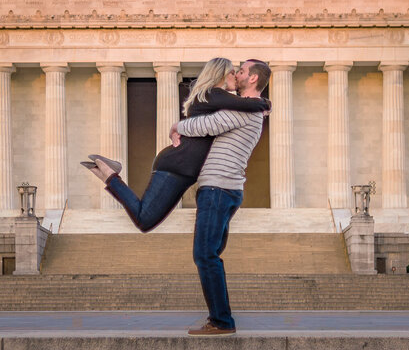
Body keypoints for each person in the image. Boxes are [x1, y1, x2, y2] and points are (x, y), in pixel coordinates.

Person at [82, 58, 270, 232]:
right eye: (232, 73)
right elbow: (248, 105)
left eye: (239, 72)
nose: (236, 77)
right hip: (177, 165)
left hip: (184, 169)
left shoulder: (211, 97)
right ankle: (109, 174)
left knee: (145, 222)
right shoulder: (213, 93)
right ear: (220, 74)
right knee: (144, 220)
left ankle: (108, 173)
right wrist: (264, 103)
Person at [171, 58, 271, 336]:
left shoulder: (243, 112)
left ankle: (222, 321)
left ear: (252, 79)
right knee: (209, 253)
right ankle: (220, 318)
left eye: (240, 71)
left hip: (219, 189)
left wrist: (177, 127)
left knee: (205, 253)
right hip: (223, 189)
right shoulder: (248, 109)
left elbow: (207, 125)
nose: (235, 75)